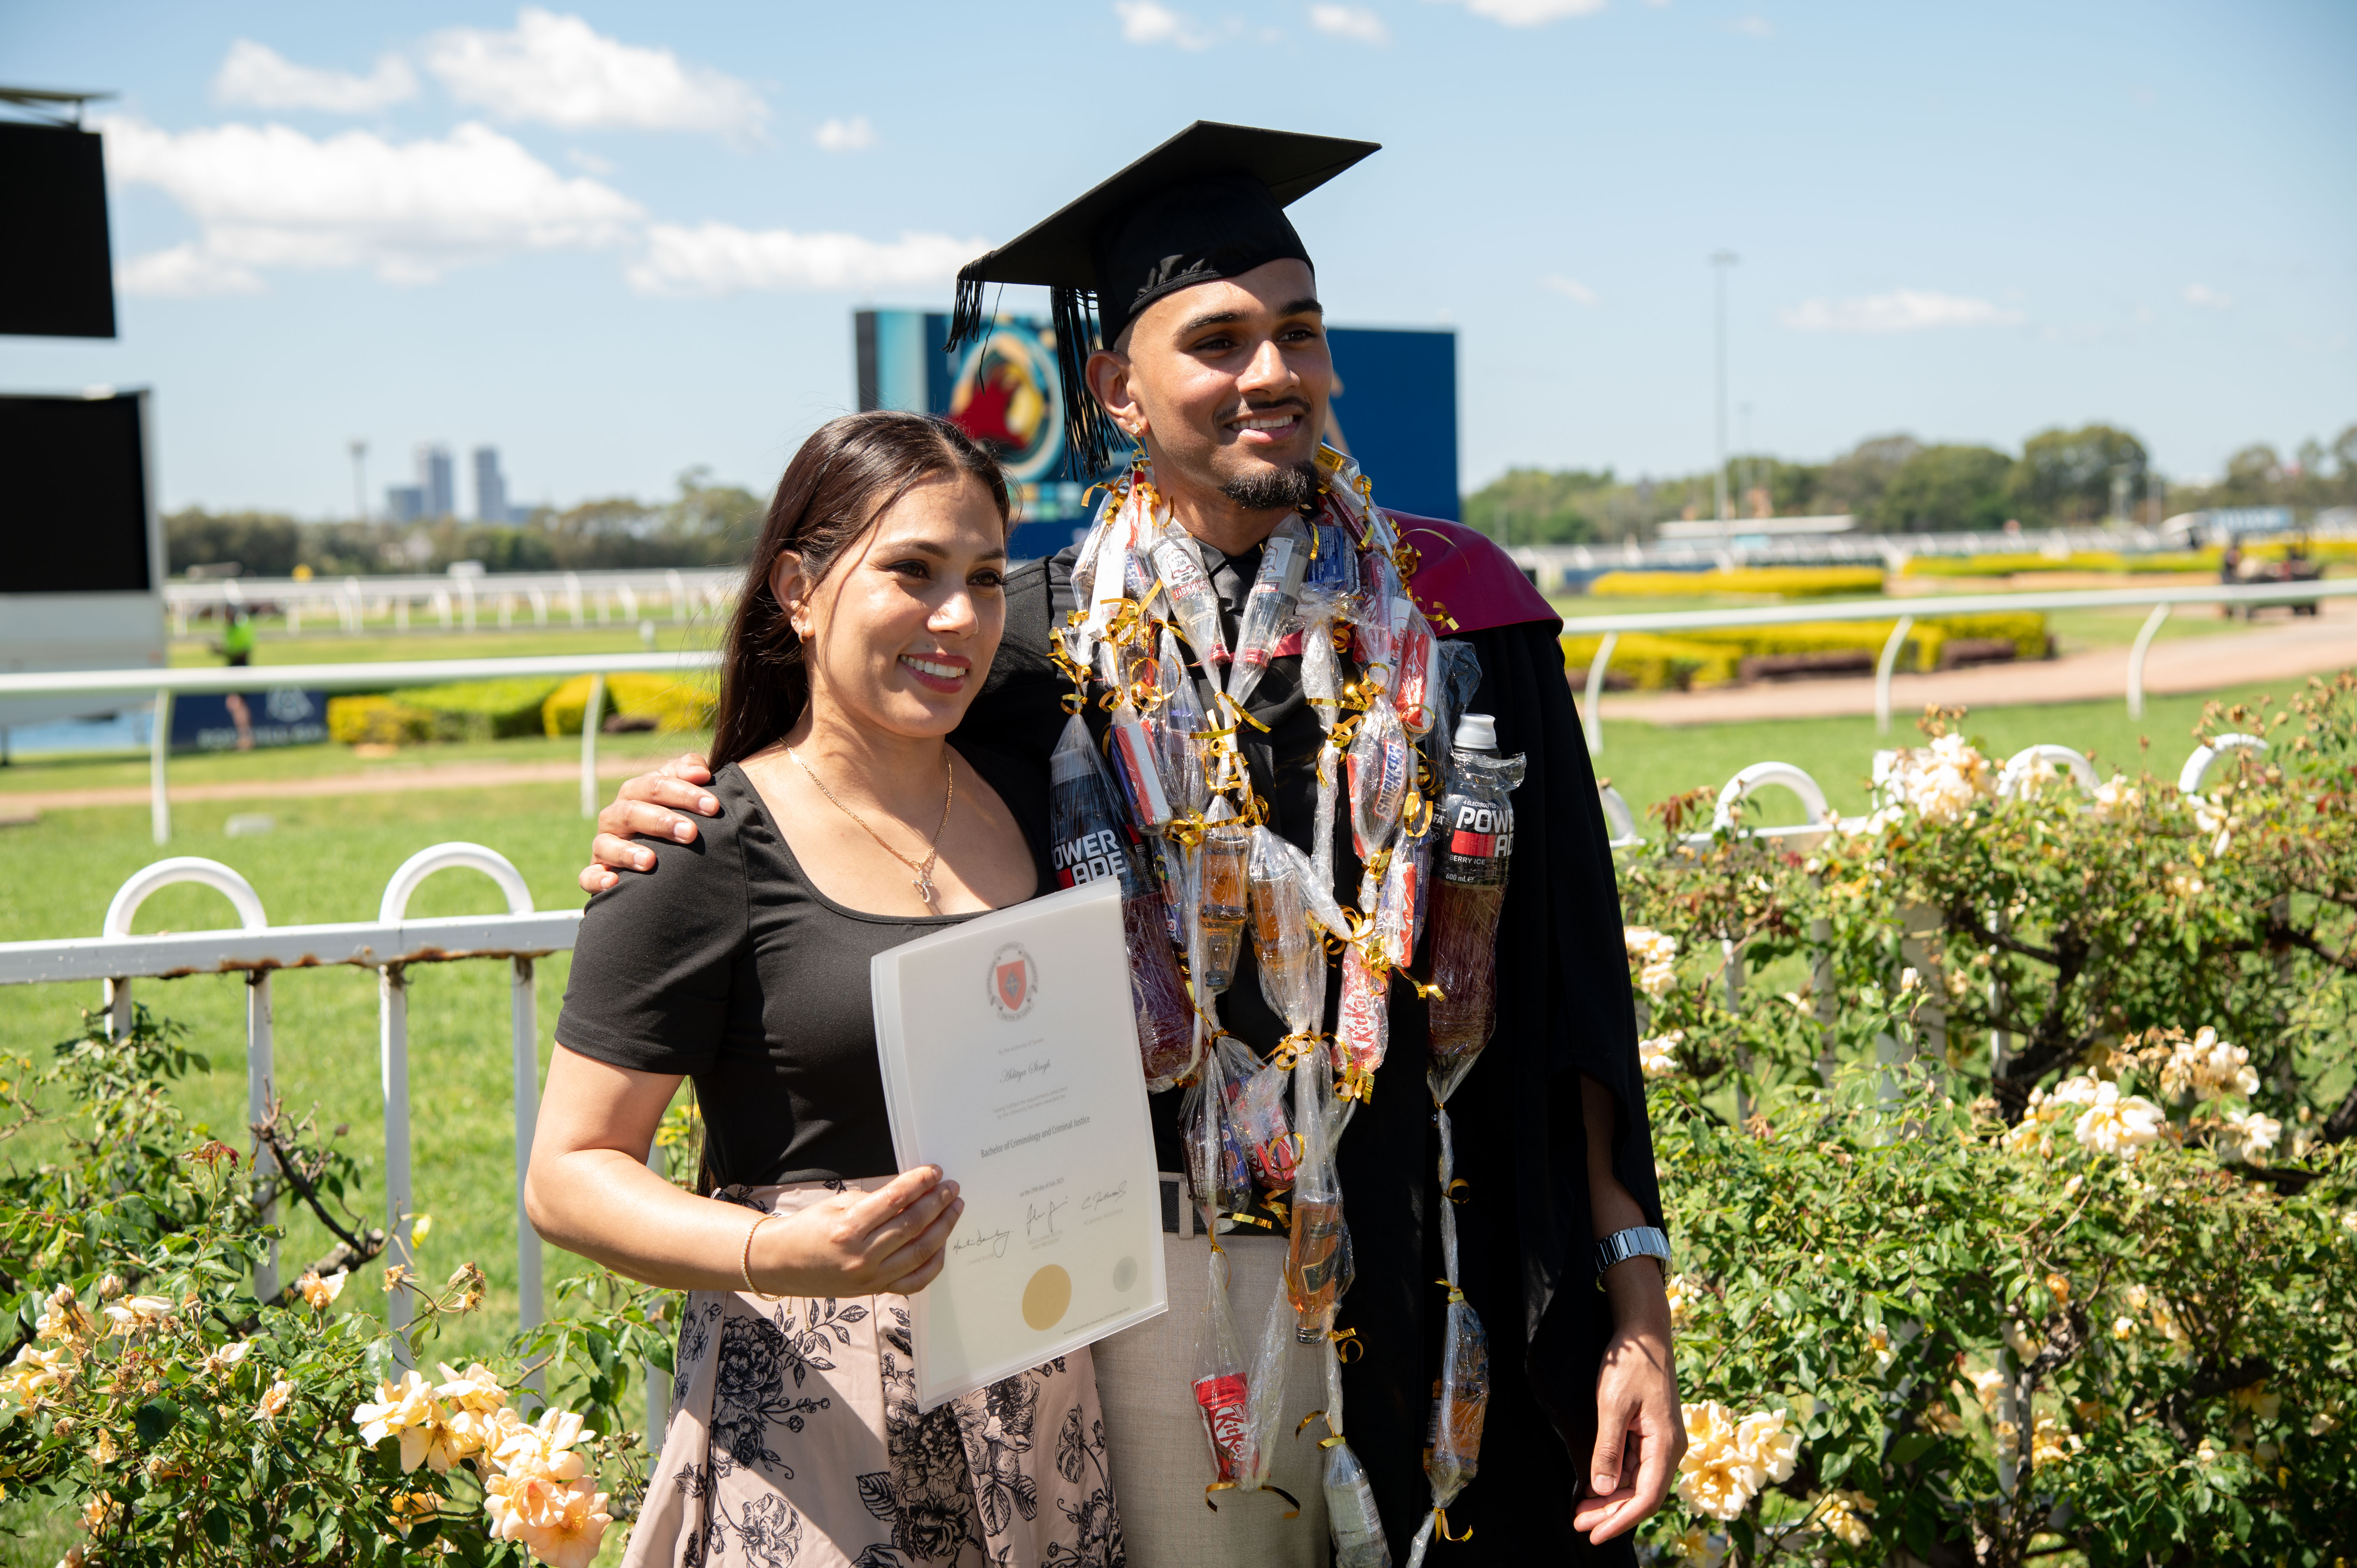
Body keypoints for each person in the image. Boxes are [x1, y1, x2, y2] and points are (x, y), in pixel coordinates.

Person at [586, 124, 1682, 1563]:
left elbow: (1567, 983)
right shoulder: (1029, 645)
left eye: (1298, 332)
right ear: (1116, 387)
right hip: (1153, 1287)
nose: (1272, 374)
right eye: (1217, 340)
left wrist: (1632, 1305)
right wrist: (672, 809)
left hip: (1441, 1251)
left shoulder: (1461, 620)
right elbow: (827, 793)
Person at [529, 411, 1123, 1567]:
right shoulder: (701, 845)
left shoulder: (1036, 784)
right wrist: (782, 1256)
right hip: (818, 1409)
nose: (958, 617)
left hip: (1039, 1400)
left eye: (986, 578)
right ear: (799, 588)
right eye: (911, 571)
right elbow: (567, 1176)